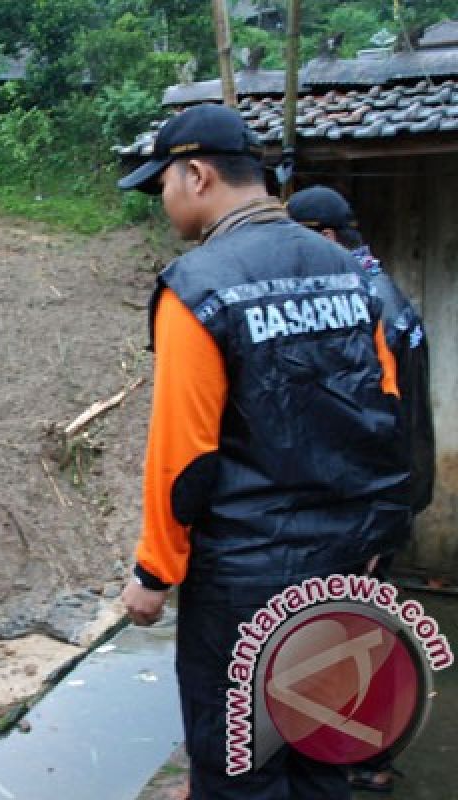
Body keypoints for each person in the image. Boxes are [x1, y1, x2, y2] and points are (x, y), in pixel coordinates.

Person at [117, 104, 412, 799]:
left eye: (162, 183)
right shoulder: (350, 271)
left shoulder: (198, 288)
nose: (162, 200)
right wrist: (378, 539)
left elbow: (182, 456)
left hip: (246, 585)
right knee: (323, 751)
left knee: (241, 767)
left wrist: (155, 573)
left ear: (197, 175)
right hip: (345, 570)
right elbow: (389, 414)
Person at [287, 185, 436, 795]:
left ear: (323, 236)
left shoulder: (364, 303)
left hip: (377, 501)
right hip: (395, 493)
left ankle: (363, 756)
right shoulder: (383, 291)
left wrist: (375, 519)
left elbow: (382, 422)